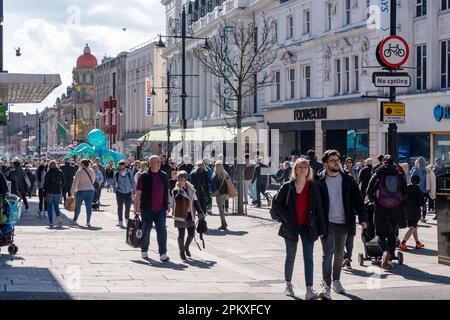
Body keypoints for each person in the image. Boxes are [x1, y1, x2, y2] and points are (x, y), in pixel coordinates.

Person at [318, 150, 367, 299]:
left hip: (344, 222)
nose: (336, 162)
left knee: (340, 255)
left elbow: (358, 200)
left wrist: (363, 218)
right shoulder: (319, 181)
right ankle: (326, 285)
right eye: (332, 160)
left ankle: (336, 281)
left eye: (337, 160)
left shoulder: (347, 179)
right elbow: (314, 205)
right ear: (326, 163)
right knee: (328, 254)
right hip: (327, 223)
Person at [274, 158, 326, 300]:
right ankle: (289, 284)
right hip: (291, 226)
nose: (302, 169)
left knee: (308, 257)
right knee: (290, 256)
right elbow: (277, 204)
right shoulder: (287, 186)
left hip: (308, 227)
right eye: (299, 167)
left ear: (309, 170)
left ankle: (309, 288)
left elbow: (318, 209)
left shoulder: (313, 187)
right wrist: (286, 218)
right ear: (295, 169)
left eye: (305, 167)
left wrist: (321, 228)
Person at [367, 155, 407, 269]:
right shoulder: (399, 174)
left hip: (380, 206)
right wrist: (398, 200)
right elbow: (405, 191)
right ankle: (390, 255)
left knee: (380, 233)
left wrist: (372, 199)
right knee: (392, 233)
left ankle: (385, 252)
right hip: (395, 207)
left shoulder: (378, 173)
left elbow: (369, 189)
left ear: (383, 162)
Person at [134, 155, 170, 262]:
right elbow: (138, 193)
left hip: (161, 209)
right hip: (147, 209)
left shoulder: (164, 175)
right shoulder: (143, 176)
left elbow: (166, 191)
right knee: (146, 230)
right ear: (150, 163)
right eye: (156, 162)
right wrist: (136, 207)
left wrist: (167, 205)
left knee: (162, 231)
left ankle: (163, 253)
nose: (159, 163)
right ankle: (144, 250)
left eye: (159, 161)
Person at [173, 171, 206, 260]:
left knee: (191, 234)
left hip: (190, 214)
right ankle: (181, 252)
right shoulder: (176, 190)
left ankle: (186, 247)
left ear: (185, 180)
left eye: (182, 180)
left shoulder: (191, 189)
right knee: (181, 235)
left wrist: (200, 212)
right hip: (180, 214)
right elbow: (177, 199)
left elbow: (196, 201)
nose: (180, 181)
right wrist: (180, 190)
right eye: (178, 179)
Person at [399, 175, 426, 252]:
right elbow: (421, 203)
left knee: (414, 227)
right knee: (412, 227)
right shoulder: (418, 191)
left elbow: (402, 199)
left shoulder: (406, 189)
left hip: (406, 211)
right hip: (415, 212)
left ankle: (417, 243)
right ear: (419, 182)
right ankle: (403, 243)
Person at [71, 159, 96, 227]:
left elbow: (75, 182)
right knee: (88, 206)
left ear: (82, 164)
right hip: (90, 190)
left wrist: (72, 191)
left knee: (78, 206)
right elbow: (93, 181)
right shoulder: (92, 171)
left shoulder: (79, 171)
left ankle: (75, 219)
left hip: (81, 190)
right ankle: (88, 221)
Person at [113, 160, 136, 228]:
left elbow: (132, 181)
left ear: (124, 165)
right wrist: (115, 190)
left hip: (128, 192)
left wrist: (134, 190)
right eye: (120, 165)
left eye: (122, 165)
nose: (121, 166)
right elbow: (114, 183)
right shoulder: (116, 174)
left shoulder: (129, 172)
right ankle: (120, 221)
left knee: (128, 207)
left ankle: (127, 220)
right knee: (120, 207)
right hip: (120, 192)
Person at [43, 161, 65, 228]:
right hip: (58, 191)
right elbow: (63, 182)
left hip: (50, 192)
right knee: (56, 206)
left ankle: (51, 222)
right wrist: (59, 186)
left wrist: (44, 193)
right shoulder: (60, 172)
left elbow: (45, 184)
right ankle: (58, 217)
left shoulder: (48, 173)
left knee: (50, 207)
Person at [212, 160, 230, 231]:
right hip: (225, 194)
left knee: (221, 210)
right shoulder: (225, 173)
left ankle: (224, 223)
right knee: (222, 207)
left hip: (219, 194)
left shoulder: (216, 174)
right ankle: (223, 223)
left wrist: (213, 192)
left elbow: (213, 185)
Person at [410, 157, 428, 222]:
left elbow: (411, 178)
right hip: (425, 190)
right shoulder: (427, 170)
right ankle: (423, 217)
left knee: (416, 204)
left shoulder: (415, 169)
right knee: (424, 204)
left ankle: (416, 217)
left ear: (418, 162)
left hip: (416, 189)